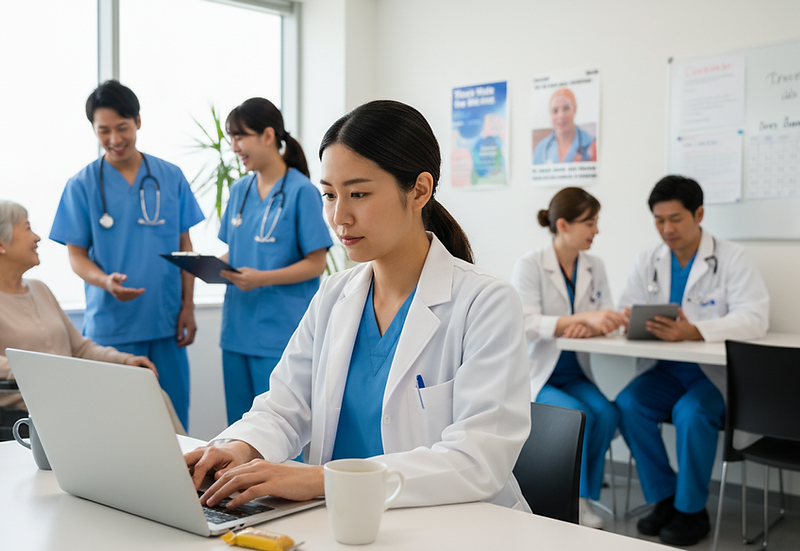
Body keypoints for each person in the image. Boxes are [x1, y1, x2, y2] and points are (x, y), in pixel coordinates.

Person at [185, 100, 532, 512]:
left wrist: (319, 479)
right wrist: (240, 446)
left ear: (419, 190)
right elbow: (284, 406)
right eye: (329, 195)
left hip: (453, 526)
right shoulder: (335, 295)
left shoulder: (485, 303)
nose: (339, 216)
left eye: (359, 194)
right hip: (345, 522)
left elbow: (477, 461)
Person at [616, 175, 769, 546]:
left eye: (675, 219)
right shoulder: (647, 259)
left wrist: (695, 330)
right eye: (658, 220)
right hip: (663, 370)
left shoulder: (733, 258)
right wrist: (627, 318)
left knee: (692, 414)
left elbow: (755, 318)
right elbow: (629, 306)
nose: (666, 229)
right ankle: (665, 497)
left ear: (699, 214)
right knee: (628, 404)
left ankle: (690, 510)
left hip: (711, 377)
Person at [0, 200, 185, 433]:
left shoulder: (39, 289)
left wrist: (123, 360)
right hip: (27, 407)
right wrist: (44, 369)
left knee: (151, 393)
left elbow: (80, 349)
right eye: (26, 228)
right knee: (136, 402)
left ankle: (190, 465)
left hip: (64, 394)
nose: (37, 238)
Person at [50, 81, 205, 430]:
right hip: (112, 327)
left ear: (138, 122)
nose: (114, 139)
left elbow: (186, 247)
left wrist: (188, 305)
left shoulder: (170, 177)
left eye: (122, 128)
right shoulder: (82, 185)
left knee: (174, 424)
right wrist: (105, 281)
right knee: (115, 427)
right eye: (103, 130)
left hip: (166, 323)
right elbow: (76, 257)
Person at [510, 187, 626, 529]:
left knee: (606, 414)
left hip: (575, 372)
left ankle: (584, 496)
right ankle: (571, 500)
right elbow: (527, 322)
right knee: (581, 416)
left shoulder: (594, 265)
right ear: (563, 224)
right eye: (589, 223)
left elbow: (601, 313)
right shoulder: (530, 265)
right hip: (539, 373)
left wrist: (596, 324)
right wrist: (576, 321)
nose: (596, 231)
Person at [217, 98, 332, 424]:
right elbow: (236, 250)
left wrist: (262, 278)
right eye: (232, 138)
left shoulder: (301, 192)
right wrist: (206, 265)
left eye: (241, 137)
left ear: (268, 136)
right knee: (238, 430)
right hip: (237, 330)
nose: (235, 147)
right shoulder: (239, 190)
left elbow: (316, 263)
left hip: (280, 333)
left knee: (279, 430)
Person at [532, 88, 597, 164]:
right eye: (555, 111)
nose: (561, 115)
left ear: (574, 109)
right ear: (550, 114)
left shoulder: (591, 145)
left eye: (566, 108)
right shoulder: (540, 150)